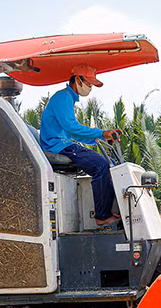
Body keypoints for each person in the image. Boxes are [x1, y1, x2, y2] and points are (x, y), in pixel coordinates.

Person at [40, 64, 122, 226]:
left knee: (110, 164)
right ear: (77, 79)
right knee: (101, 166)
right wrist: (100, 133)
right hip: (57, 145)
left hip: (64, 143)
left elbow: (72, 133)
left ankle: (108, 209)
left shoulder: (68, 99)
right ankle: (102, 216)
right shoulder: (63, 97)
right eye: (89, 84)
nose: (90, 88)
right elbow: (72, 128)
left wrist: (102, 138)